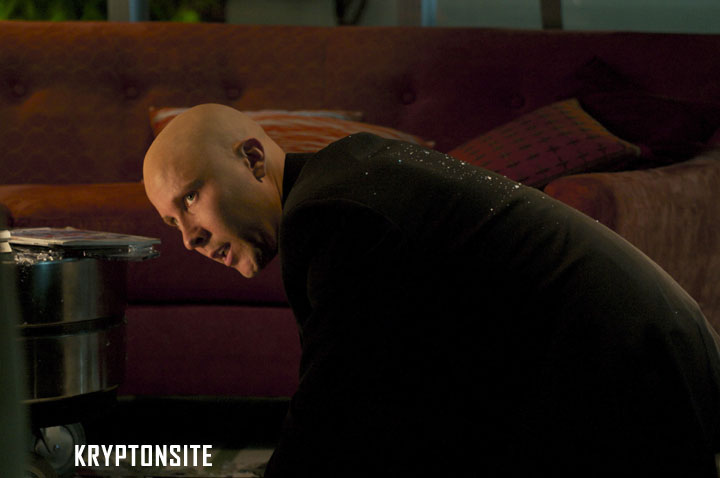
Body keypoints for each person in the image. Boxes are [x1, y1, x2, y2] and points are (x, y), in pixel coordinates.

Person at [143, 103, 720, 477]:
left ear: (252, 159)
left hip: (631, 384)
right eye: (172, 222)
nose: (190, 237)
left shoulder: (333, 215)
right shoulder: (347, 173)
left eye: (191, 197)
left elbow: (333, 418)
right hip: (658, 355)